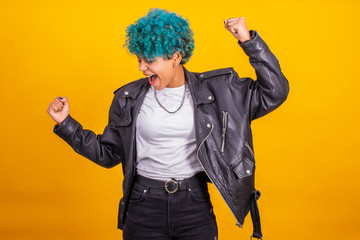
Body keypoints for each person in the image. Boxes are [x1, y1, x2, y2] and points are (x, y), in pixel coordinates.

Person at [47, 8, 289, 240]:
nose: (142, 68)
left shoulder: (220, 91)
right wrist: (67, 124)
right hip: (143, 205)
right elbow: (108, 154)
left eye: (149, 60)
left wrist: (248, 41)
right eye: (139, 60)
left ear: (176, 57)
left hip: (194, 203)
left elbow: (275, 91)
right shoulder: (127, 99)